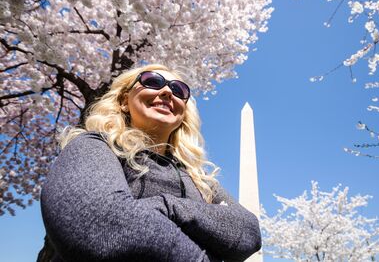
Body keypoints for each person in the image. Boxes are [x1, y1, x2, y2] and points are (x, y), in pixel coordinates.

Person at [39, 64, 261, 262]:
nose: (166, 92)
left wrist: (166, 207)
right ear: (124, 101)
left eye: (178, 90)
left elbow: (249, 234)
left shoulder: (200, 179)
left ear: (183, 113)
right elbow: (98, 227)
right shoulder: (94, 146)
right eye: (152, 82)